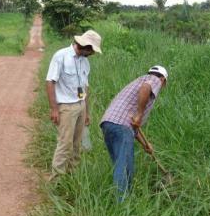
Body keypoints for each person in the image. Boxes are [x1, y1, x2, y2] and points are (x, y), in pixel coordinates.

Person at [100, 65, 168, 200]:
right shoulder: (154, 80)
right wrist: (139, 114)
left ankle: (125, 198)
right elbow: (146, 88)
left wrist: (145, 145)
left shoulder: (138, 81)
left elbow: (134, 128)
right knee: (124, 168)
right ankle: (121, 204)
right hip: (121, 126)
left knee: (123, 166)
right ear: (163, 80)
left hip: (109, 123)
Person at [46, 30, 102, 179]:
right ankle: (56, 182)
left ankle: (72, 177)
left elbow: (84, 88)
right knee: (65, 144)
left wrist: (87, 111)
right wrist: (54, 109)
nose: (93, 54)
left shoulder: (85, 61)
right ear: (86, 46)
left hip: (80, 105)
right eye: (92, 50)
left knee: (77, 145)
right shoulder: (61, 56)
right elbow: (50, 82)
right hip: (66, 107)